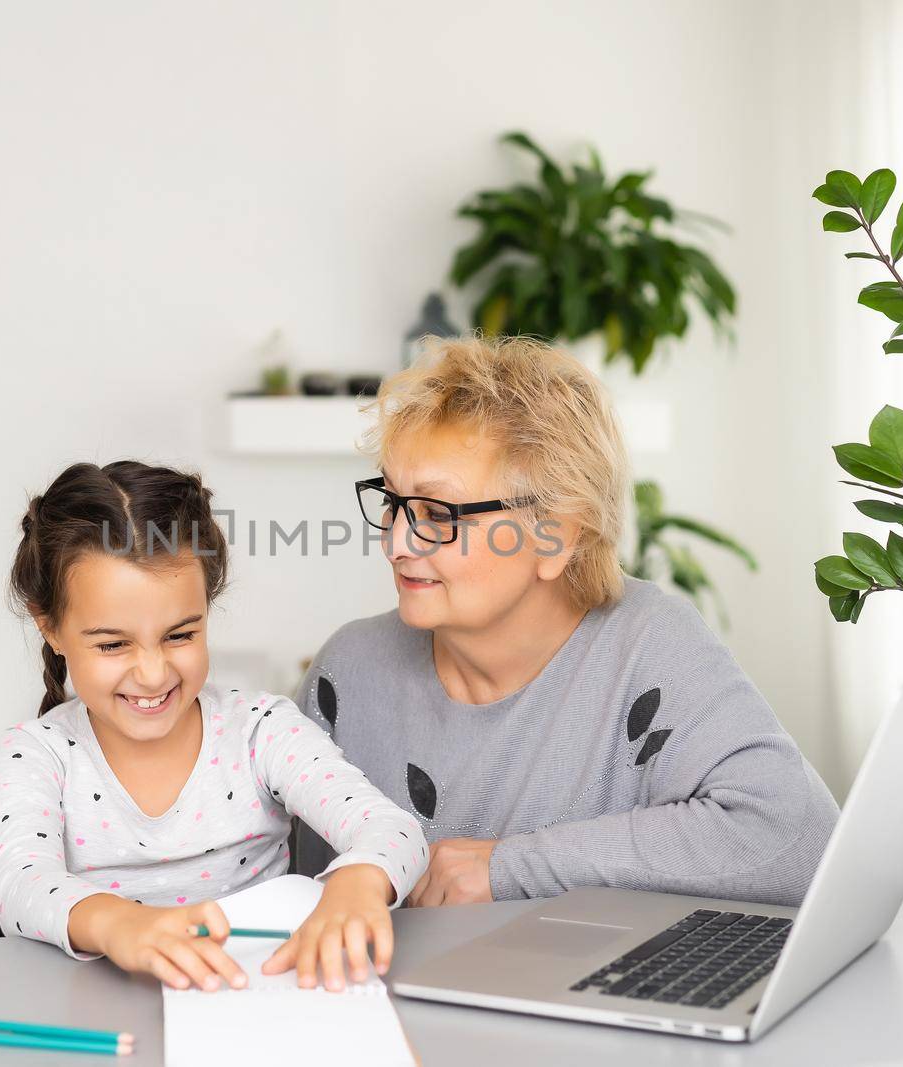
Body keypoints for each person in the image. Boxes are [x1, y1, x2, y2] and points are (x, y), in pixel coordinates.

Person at [294, 336, 838, 908]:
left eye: (437, 513)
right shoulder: (348, 674)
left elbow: (796, 840)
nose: (397, 542)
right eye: (392, 500)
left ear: (556, 534)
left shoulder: (649, 643)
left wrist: (507, 867)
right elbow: (277, 892)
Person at [0, 460, 426, 993]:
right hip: (102, 1006)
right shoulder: (36, 754)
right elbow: (20, 888)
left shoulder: (260, 730)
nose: (152, 673)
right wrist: (120, 924)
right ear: (50, 627)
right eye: (112, 644)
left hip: (261, 998)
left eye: (180, 635)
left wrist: (357, 883)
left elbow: (394, 829)